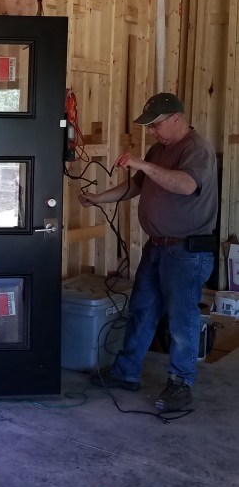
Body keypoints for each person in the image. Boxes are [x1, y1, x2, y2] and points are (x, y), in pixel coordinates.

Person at [78, 92, 218, 411]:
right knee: (142, 309)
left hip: (187, 252)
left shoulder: (198, 149)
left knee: (182, 319)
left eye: (155, 125)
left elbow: (185, 185)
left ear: (175, 119)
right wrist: (99, 198)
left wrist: (141, 162)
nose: (151, 132)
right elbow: (137, 186)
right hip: (158, 248)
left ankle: (181, 384)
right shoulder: (158, 149)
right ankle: (126, 372)